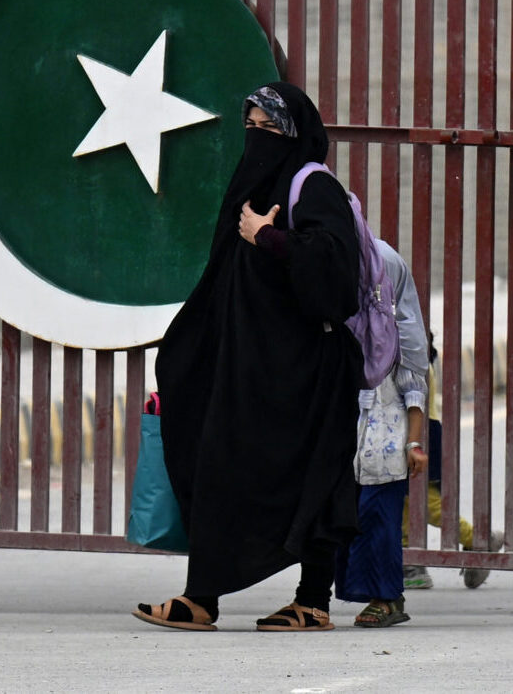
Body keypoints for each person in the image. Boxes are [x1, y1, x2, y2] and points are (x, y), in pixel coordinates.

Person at [137, 81, 363, 633]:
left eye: (271, 129)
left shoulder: (314, 188)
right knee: (220, 466)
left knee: (314, 479)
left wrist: (269, 238)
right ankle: (201, 598)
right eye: (251, 128)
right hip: (250, 370)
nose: (258, 139)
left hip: (308, 370)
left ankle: (312, 601)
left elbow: (336, 272)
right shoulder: (250, 186)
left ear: (296, 133)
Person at [337, 235, 432, 627]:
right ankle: (372, 596)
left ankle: (389, 598)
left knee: (380, 525)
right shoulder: (353, 331)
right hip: (356, 451)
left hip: (389, 450)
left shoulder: (403, 339)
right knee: (356, 521)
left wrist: (414, 442)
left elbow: (415, 390)